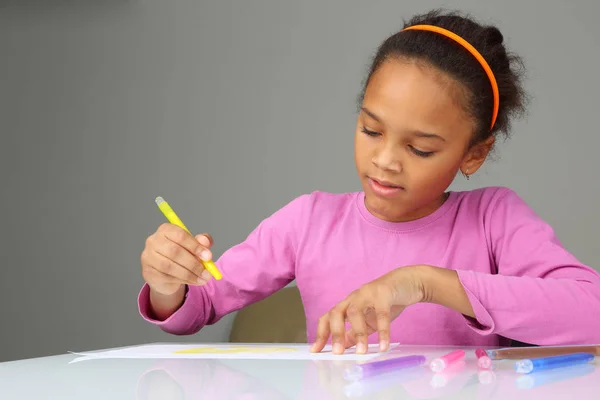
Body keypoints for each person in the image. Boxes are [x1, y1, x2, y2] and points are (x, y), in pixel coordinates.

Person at [138, 9, 600, 355]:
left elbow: (591, 311)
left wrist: (425, 283)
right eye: (371, 130)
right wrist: (168, 283)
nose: (384, 160)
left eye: (419, 149)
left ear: (473, 154)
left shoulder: (493, 218)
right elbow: (196, 308)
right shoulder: (309, 221)